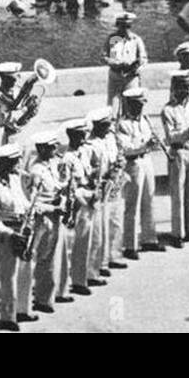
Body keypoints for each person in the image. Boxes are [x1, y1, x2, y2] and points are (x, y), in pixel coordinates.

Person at [0, 143, 37, 331]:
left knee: (26, 272)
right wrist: (10, 233)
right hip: (8, 234)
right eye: (16, 162)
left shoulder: (17, 179)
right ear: (5, 163)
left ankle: (23, 310)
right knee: (9, 276)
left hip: (23, 229)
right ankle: (8, 317)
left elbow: (24, 201)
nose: (20, 164)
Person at [25, 131, 72, 314]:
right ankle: (43, 299)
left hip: (56, 213)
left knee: (57, 256)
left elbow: (57, 186)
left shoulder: (51, 164)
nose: (55, 149)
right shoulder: (36, 171)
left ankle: (56, 292)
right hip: (44, 217)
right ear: (42, 149)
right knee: (45, 259)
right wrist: (53, 209)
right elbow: (32, 201)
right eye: (52, 147)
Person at [116, 88, 165, 258]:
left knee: (149, 199)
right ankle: (130, 245)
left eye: (142, 104)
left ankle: (149, 239)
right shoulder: (123, 124)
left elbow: (150, 139)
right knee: (132, 205)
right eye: (137, 105)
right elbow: (126, 149)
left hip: (147, 161)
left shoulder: (145, 120)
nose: (141, 108)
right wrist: (145, 146)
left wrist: (154, 144)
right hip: (133, 164)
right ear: (130, 105)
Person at [161, 73, 189, 245]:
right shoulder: (168, 110)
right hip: (178, 153)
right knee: (178, 194)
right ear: (174, 89)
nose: (187, 90)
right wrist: (188, 132)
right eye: (183, 87)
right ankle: (177, 234)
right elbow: (171, 137)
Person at [65, 117, 103, 295]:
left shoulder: (84, 152)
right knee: (81, 242)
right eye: (79, 136)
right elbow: (69, 188)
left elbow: (88, 174)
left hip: (90, 198)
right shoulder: (67, 159)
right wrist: (88, 196)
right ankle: (79, 281)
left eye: (84, 135)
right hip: (81, 202)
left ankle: (91, 273)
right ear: (71, 136)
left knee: (93, 238)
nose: (83, 139)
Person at [89, 109, 128, 281]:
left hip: (114, 183)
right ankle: (101, 263)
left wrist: (120, 165)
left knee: (116, 222)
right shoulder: (91, 144)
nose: (109, 129)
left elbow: (119, 155)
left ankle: (114, 255)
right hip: (102, 186)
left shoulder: (111, 138)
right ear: (97, 126)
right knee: (101, 228)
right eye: (106, 126)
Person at [104, 12, 147, 112]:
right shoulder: (113, 39)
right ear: (117, 25)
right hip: (115, 76)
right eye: (122, 26)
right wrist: (116, 64)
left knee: (131, 104)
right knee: (112, 106)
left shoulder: (136, 40)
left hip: (131, 77)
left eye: (127, 26)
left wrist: (136, 68)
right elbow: (106, 57)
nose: (125, 29)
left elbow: (143, 59)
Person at [0, 62, 29, 147]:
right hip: (11, 137)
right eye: (13, 79)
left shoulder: (17, 89)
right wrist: (25, 110)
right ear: (4, 78)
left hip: (23, 134)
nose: (16, 81)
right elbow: (7, 120)